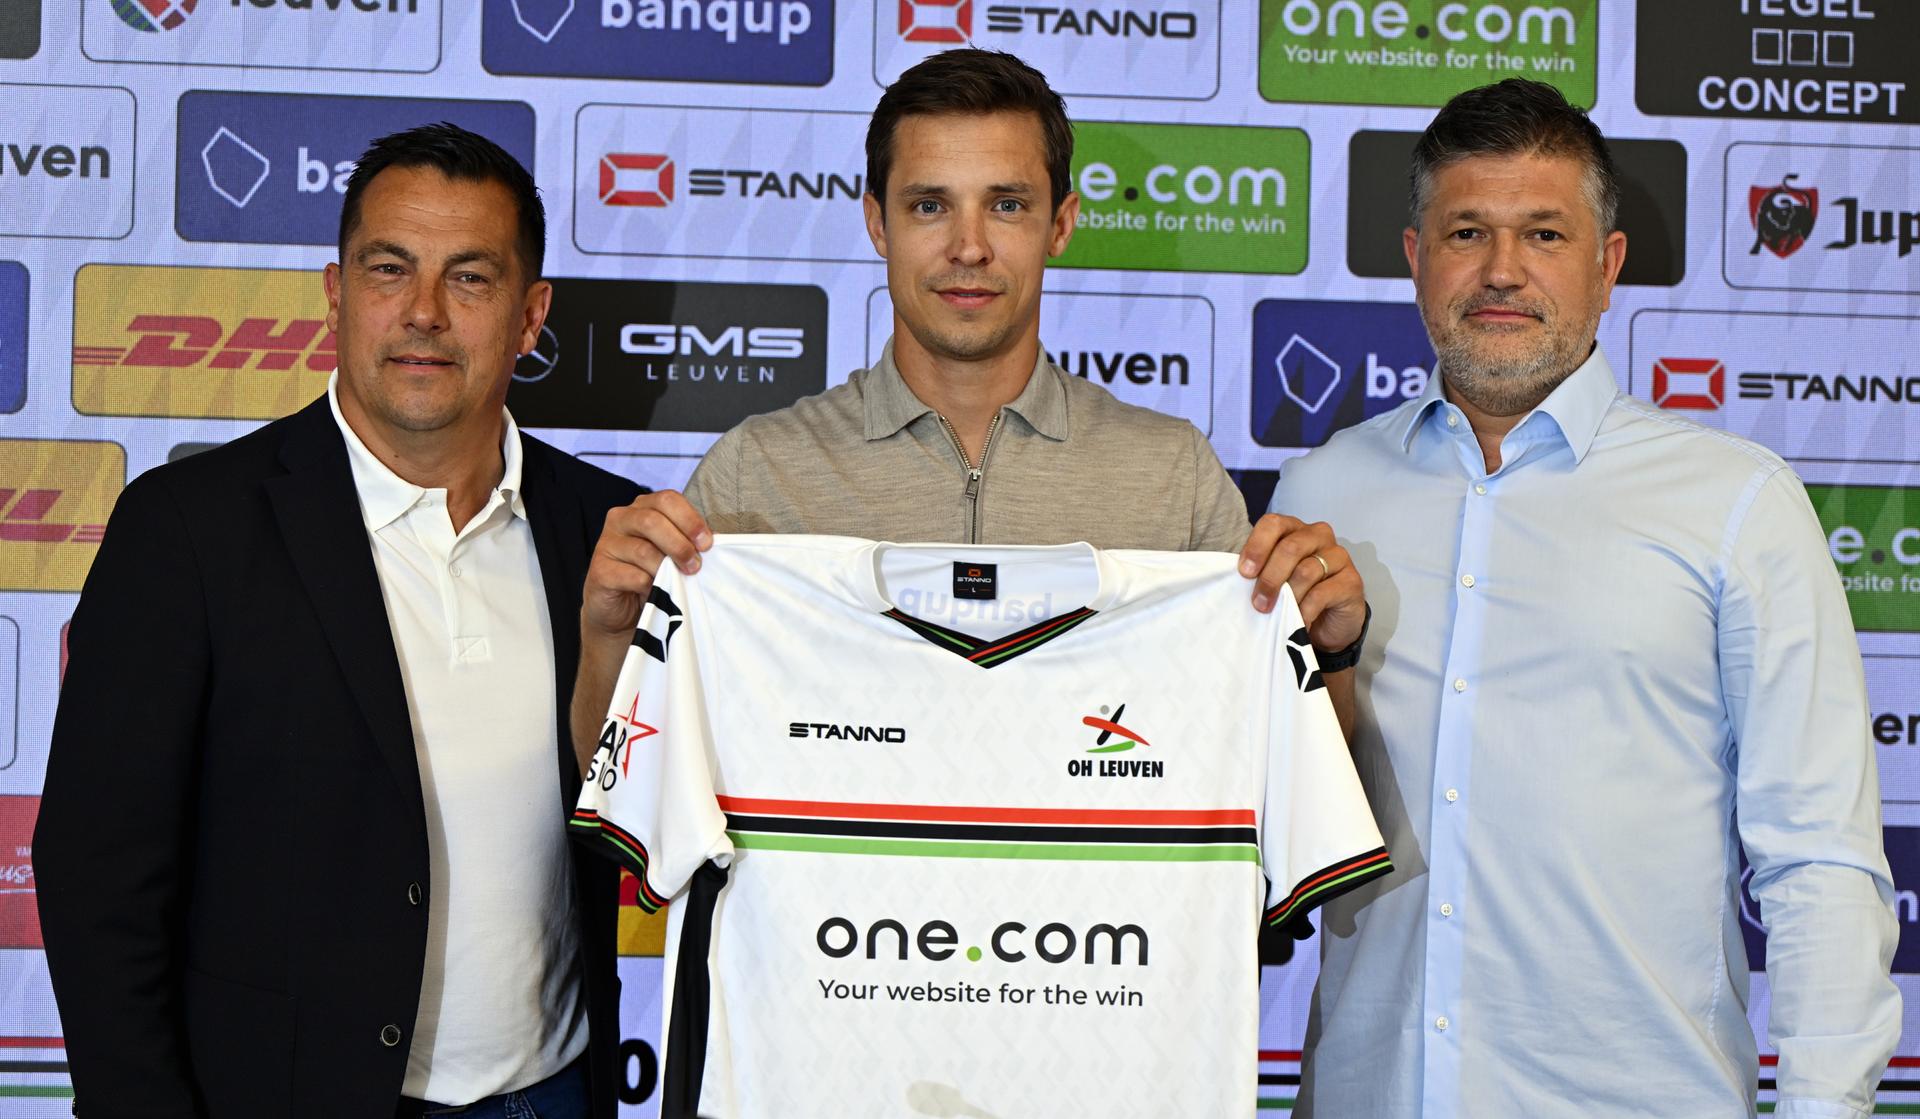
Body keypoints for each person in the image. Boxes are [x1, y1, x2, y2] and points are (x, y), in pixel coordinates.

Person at [1273, 79, 1898, 1117]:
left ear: (1607, 268)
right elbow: (1276, 828)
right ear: (1415, 258)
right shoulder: (1321, 495)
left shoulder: (1738, 506)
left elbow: (1821, 861)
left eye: (1545, 234)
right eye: (1467, 230)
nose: (1503, 271)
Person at [34, 124, 640, 1119]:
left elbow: (649, 824)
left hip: (554, 1094)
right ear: (335, 293)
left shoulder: (603, 530)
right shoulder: (189, 529)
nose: (423, 314)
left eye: (471, 278)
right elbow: (98, 876)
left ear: (532, 317)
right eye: (388, 269)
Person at [571, 48, 1370, 759]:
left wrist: (1327, 659)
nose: (969, 247)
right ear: (876, 223)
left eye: (1007, 204)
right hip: (827, 930)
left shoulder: (1172, 474)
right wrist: (611, 635)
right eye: (929, 205)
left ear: (1060, 223)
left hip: (1096, 930)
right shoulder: (758, 473)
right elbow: (628, 773)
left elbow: (1279, 770)